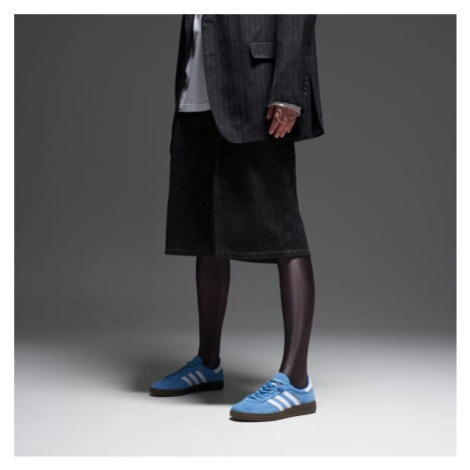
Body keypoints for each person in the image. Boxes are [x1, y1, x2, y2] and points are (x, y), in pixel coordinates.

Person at [149, 14, 325, 422]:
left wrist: (287, 90)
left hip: (255, 89)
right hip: (199, 90)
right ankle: (208, 363)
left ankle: (296, 380)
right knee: (207, 231)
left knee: (283, 232)